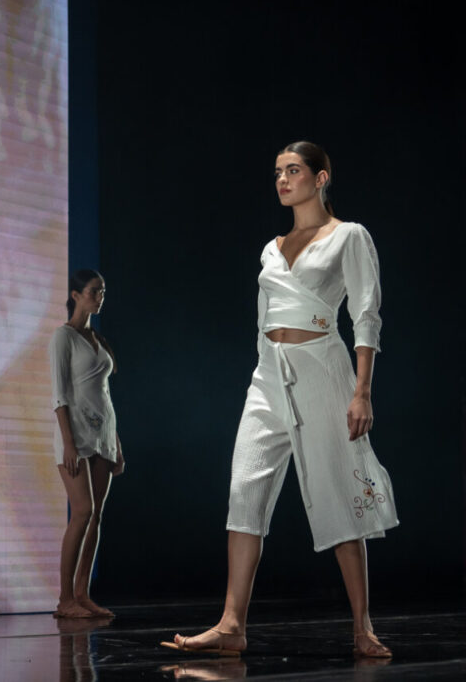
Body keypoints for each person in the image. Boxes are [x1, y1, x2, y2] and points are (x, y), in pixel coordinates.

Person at [162, 141, 399, 657]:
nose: (283, 180)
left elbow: (365, 313)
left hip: (323, 370)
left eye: (294, 170)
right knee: (244, 489)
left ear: (321, 178)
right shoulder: (272, 247)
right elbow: (262, 319)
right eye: (277, 172)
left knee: (339, 493)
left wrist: (362, 391)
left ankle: (362, 628)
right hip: (269, 376)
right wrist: (263, 373)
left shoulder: (349, 237)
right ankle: (231, 625)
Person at [49, 269, 125, 618]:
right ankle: (65, 599)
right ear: (76, 294)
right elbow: (60, 394)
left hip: (103, 436)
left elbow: (105, 396)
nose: (100, 296)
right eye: (95, 291)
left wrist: (117, 443)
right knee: (81, 512)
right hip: (76, 435)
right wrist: (68, 443)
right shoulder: (63, 337)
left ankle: (82, 594)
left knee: (96, 518)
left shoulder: (97, 338)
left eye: (103, 291)